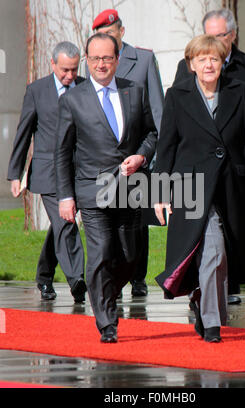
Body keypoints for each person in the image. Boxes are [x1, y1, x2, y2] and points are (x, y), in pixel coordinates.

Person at [154, 35, 245, 343]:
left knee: (221, 256)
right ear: (191, 64)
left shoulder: (239, 91)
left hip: (230, 187)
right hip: (190, 187)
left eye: (215, 59)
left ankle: (200, 300)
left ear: (223, 63)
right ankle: (211, 324)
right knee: (212, 250)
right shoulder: (177, 96)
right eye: (202, 59)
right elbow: (166, 146)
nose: (209, 64)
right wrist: (159, 192)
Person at [173, 8, 245, 305]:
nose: (213, 47)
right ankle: (203, 293)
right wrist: (164, 187)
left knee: (233, 235)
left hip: (236, 171)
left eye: (220, 37)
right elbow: (176, 126)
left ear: (232, 35)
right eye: (209, 36)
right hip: (196, 174)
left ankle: (226, 289)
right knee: (204, 236)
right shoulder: (188, 71)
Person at [55, 33, 157, 343]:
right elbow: (62, 152)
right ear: (87, 60)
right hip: (92, 189)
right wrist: (66, 196)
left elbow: (152, 133)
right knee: (100, 253)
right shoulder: (73, 99)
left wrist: (141, 156)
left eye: (107, 58)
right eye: (96, 58)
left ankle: (107, 292)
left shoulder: (134, 93)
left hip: (129, 189)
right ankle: (107, 323)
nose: (102, 64)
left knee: (129, 255)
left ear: (116, 60)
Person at [89, 9, 165, 297]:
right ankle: (114, 278)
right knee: (108, 221)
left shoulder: (143, 60)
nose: (107, 41)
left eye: (111, 34)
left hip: (139, 155)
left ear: (122, 31)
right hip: (106, 160)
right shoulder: (94, 64)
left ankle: (137, 277)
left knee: (137, 223)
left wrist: (156, 157)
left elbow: (157, 109)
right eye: (102, 36)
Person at [7, 41, 87, 303]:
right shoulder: (37, 90)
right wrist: (16, 173)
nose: (69, 76)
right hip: (48, 172)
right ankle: (77, 279)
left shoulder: (86, 87)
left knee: (59, 226)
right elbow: (24, 132)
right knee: (66, 223)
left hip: (80, 170)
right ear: (52, 64)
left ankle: (43, 275)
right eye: (64, 69)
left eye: (74, 70)